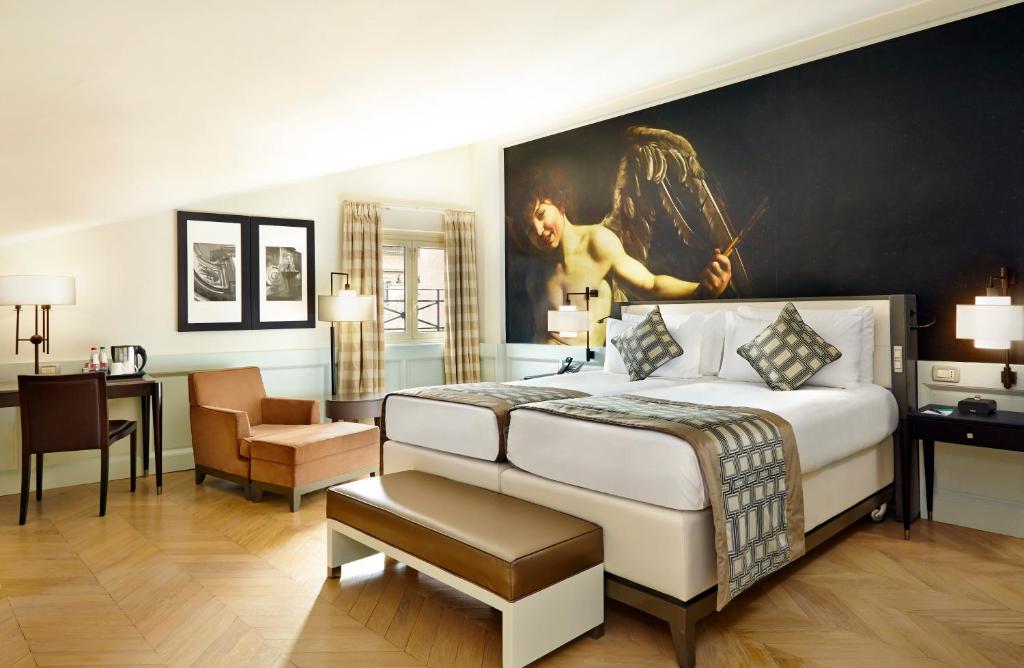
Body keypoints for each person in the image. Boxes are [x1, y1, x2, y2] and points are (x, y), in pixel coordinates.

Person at [510, 171, 732, 346]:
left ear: (560, 204)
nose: (538, 230)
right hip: (545, 368)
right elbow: (543, 334)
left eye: (541, 215)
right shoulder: (536, 274)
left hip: (581, 369)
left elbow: (650, 284)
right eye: (529, 228)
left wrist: (701, 290)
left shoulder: (596, 242)